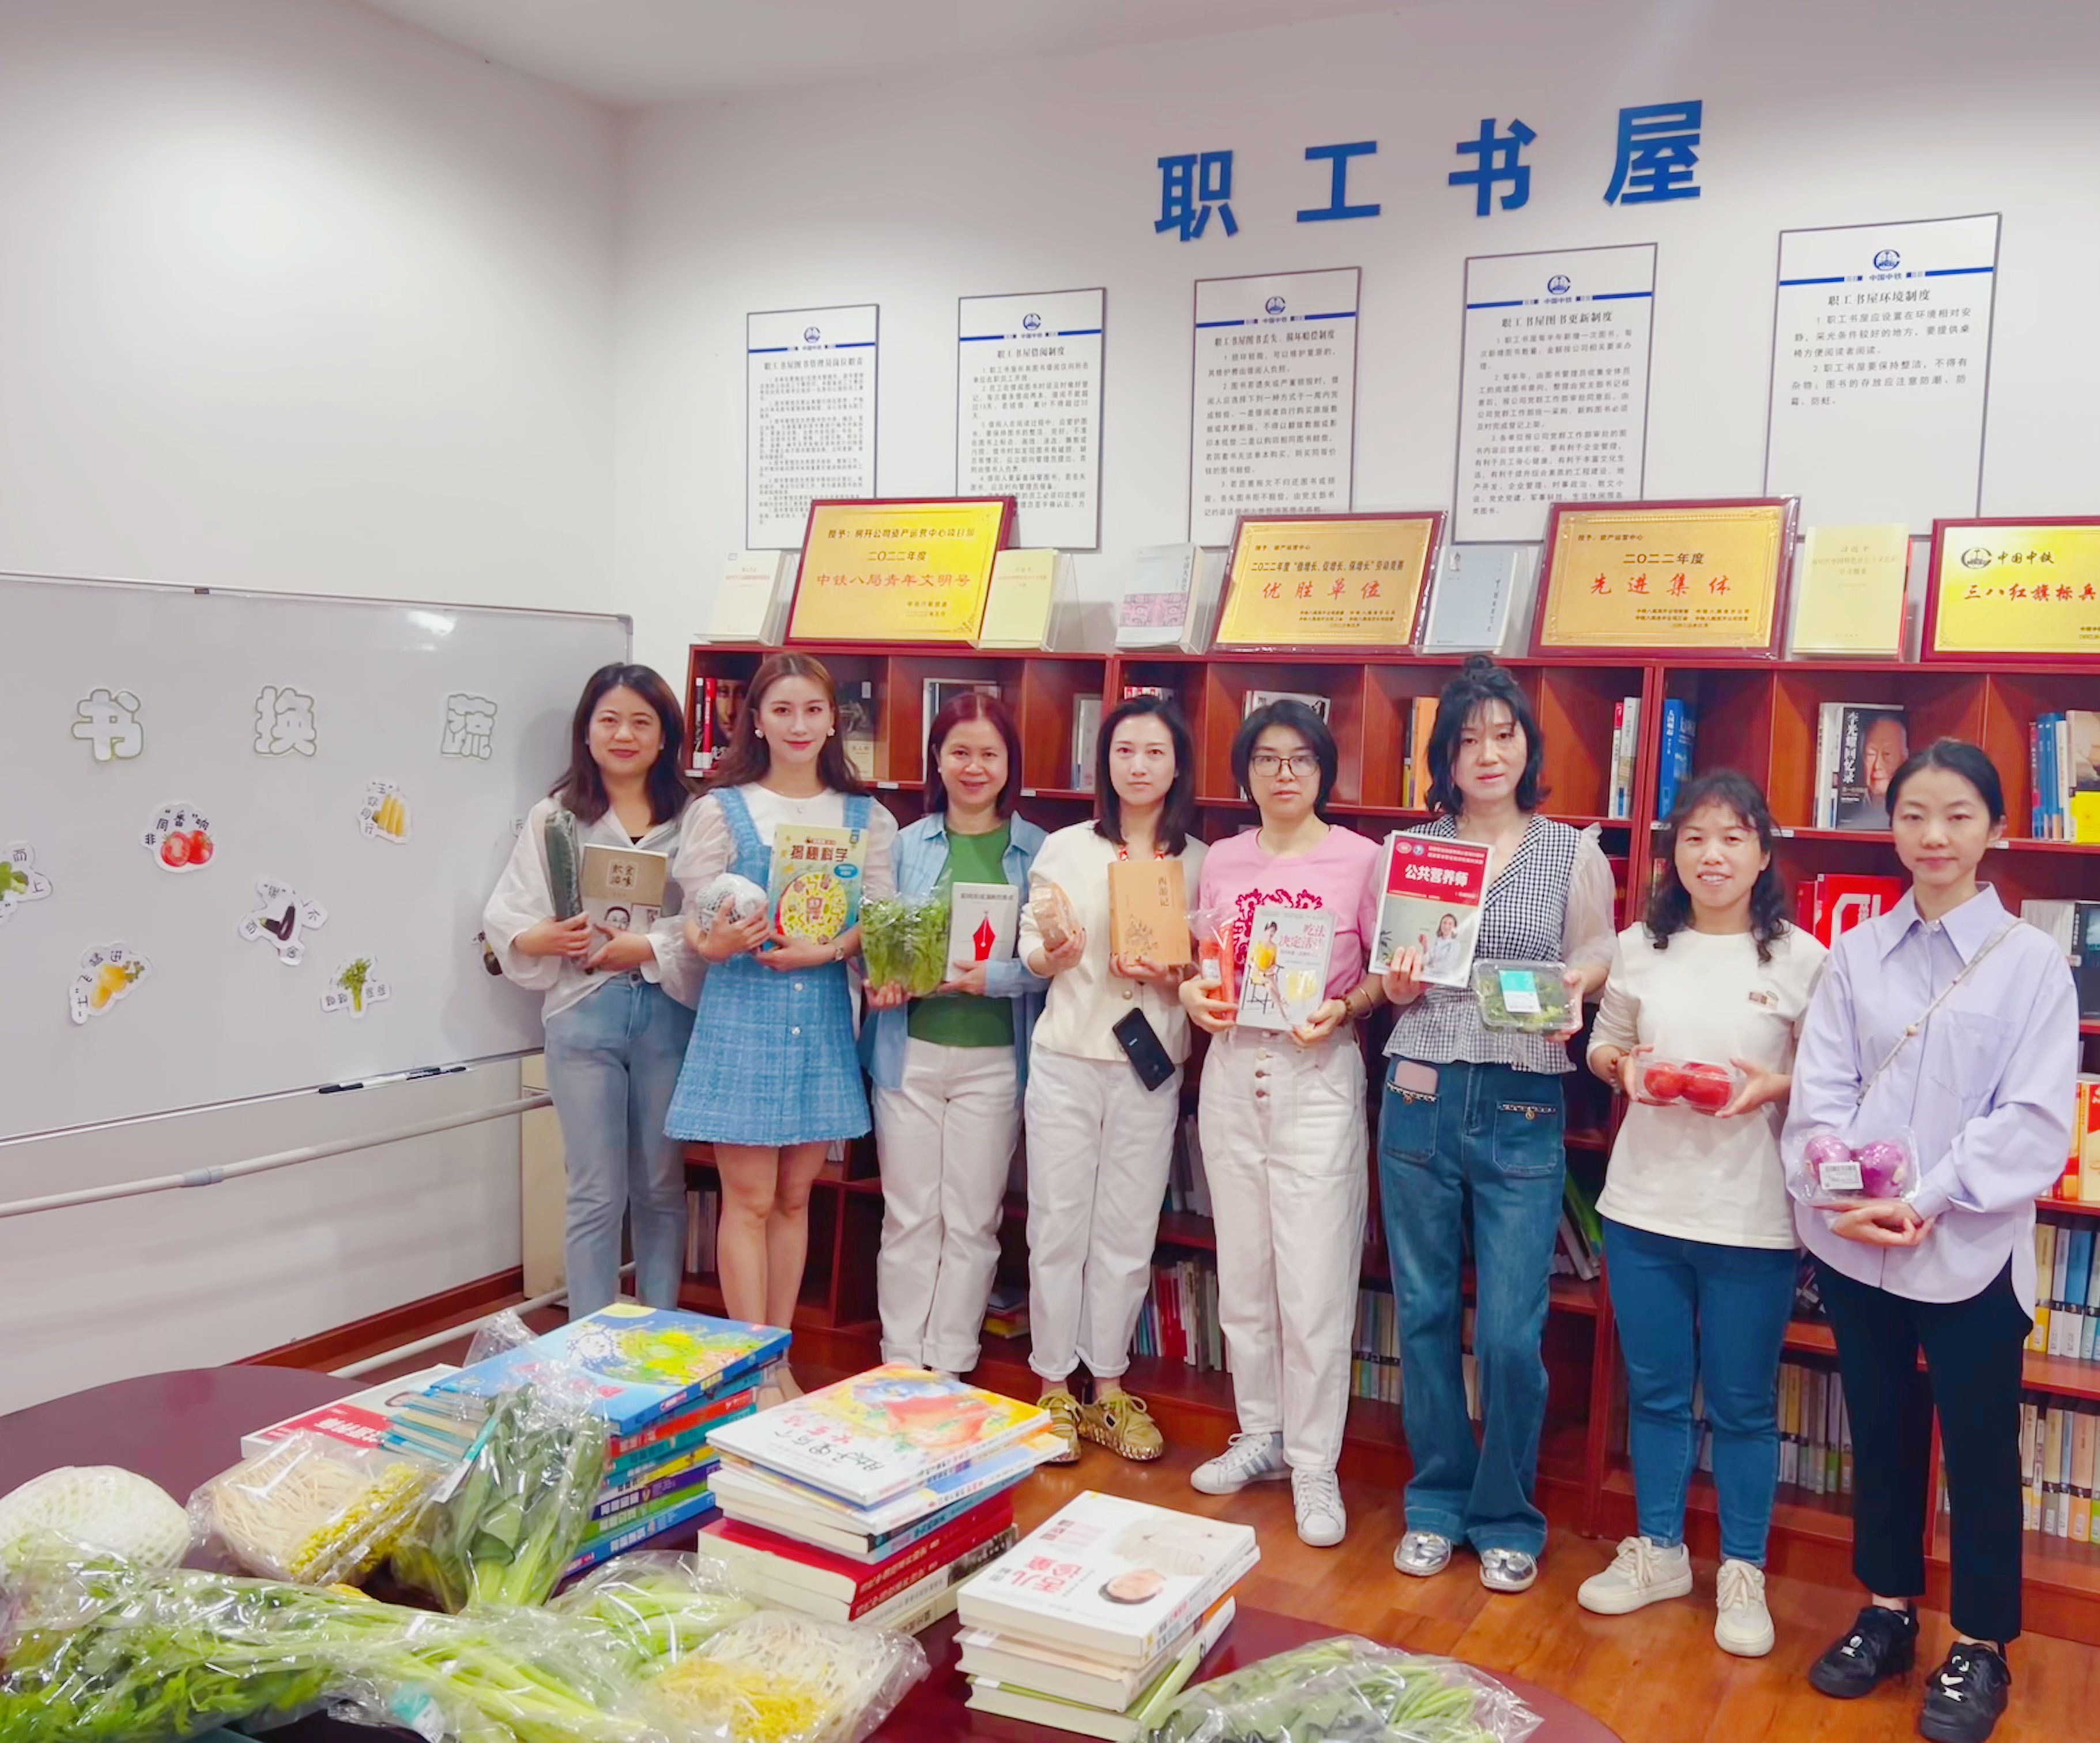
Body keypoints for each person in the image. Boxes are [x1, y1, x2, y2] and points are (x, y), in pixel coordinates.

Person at [1785, 740, 2077, 1743]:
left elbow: (2033, 1117)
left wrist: (1926, 1196)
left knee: (1980, 1449)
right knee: (1878, 1427)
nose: (1933, 835)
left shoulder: (2031, 963)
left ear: (1995, 828)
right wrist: (1838, 1191)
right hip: (1856, 1243)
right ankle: (1886, 1609)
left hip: (1967, 1248)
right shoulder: (1856, 952)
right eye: (1912, 814)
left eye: (1956, 814)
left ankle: (1982, 1643)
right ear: (1891, 825)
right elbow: (1821, 1090)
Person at [1378, 654, 1616, 1593]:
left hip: (1520, 1095)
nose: (1486, 752)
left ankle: (1507, 1512)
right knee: (1425, 1310)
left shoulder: (1569, 850)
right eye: (1467, 737)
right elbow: (1393, 970)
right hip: (1420, 1088)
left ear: (1526, 746)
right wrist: (1397, 981)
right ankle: (1435, 1500)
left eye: (1502, 734)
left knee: (1512, 1329)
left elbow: (1595, 948)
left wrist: (1576, 984)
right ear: (1444, 754)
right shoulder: (1413, 848)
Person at [1578, 770, 1828, 1657]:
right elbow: (1602, 1043)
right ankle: (1658, 1552)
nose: (1710, 855)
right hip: (1642, 1208)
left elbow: (1832, 1081)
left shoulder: (1800, 958)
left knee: (1741, 1404)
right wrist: (1624, 1071)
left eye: (1731, 837)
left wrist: (1776, 1087)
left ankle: (1742, 1569)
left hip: (1749, 1218)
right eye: (1693, 837)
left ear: (1761, 854)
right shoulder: (1637, 947)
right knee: (1652, 1392)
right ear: (1670, 854)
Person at [1178, 700, 1384, 1547]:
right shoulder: (1222, 859)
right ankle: (1259, 1432)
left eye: (1300, 758)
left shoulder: (1363, 860)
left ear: (1323, 770)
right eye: (1266, 758)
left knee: (1313, 1283)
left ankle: (1313, 1462)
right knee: (1245, 1272)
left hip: (1316, 1073)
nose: (1284, 773)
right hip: (1234, 1070)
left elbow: (1385, 974)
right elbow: (1205, 963)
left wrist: (1346, 1008)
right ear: (1245, 773)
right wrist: (1194, 994)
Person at [668, 653, 898, 1397]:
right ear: (758, 722)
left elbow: (876, 920)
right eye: (782, 710)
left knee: (796, 1199)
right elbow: (696, 924)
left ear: (833, 721)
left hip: (821, 1016)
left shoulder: (866, 817)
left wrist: (828, 949)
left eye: (812, 710)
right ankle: (749, 1371)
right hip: (743, 1014)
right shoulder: (722, 809)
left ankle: (779, 1360)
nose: (799, 725)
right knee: (749, 1200)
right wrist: (717, 943)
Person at [1017, 694, 1207, 1464]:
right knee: (1056, 1225)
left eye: (1155, 752)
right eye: (1124, 750)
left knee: (1126, 1230)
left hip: (1148, 1067)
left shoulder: (1199, 861)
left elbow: (1208, 972)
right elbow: (1031, 948)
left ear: (1177, 765)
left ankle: (1108, 1386)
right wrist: (1054, 954)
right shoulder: (1065, 848)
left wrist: (1173, 974)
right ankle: (1052, 1386)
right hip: (1067, 1058)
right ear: (1104, 762)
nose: (1138, 766)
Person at [483, 664, 702, 1318]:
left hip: (668, 1013)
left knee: (661, 1185)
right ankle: (588, 1341)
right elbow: (510, 915)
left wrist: (651, 945)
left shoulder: (696, 816)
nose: (623, 735)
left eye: (641, 722)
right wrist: (544, 937)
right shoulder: (554, 817)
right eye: (609, 720)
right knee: (594, 1191)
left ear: (665, 736)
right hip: (583, 1014)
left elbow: (709, 918)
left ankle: (658, 1333)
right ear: (586, 732)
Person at [862, 692, 1047, 1379]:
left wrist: (990, 979)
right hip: (906, 1054)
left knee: (972, 1221)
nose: (974, 767)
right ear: (936, 760)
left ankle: (948, 1367)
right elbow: (869, 938)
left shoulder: (1038, 852)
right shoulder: (902, 845)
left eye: (989, 754)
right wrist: (878, 979)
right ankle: (899, 1363)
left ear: (1009, 764)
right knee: (909, 1216)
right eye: (959, 752)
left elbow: (1050, 965)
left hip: (996, 1060)